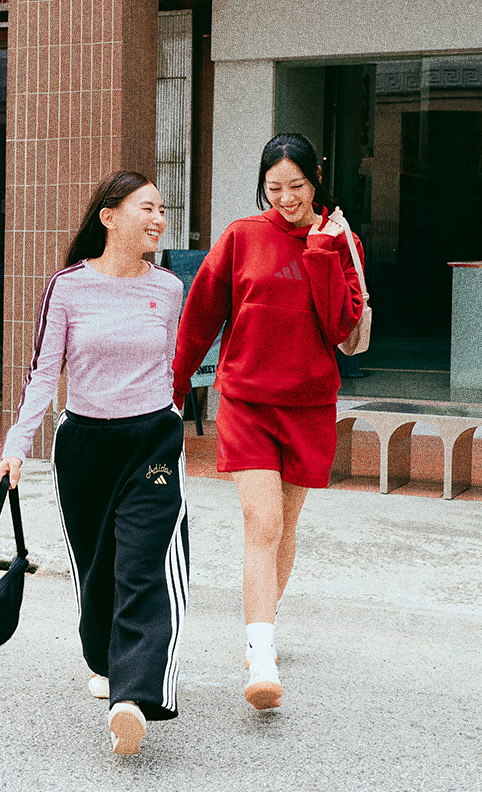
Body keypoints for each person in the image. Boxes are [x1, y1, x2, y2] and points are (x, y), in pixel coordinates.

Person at [0, 171, 189, 755]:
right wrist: (17, 445)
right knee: (98, 567)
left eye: (162, 209)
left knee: (143, 565)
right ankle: (108, 661)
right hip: (84, 446)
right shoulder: (69, 288)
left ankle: (132, 695)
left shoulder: (169, 288)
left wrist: (174, 424)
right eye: (146, 208)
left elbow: (170, 366)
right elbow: (43, 374)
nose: (158, 219)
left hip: (152, 440)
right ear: (109, 217)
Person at [172, 133, 363, 711]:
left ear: (317, 180)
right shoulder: (241, 237)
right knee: (262, 523)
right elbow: (200, 313)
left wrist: (323, 252)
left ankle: (264, 626)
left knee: (285, 524)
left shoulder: (341, 239)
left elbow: (339, 327)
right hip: (248, 402)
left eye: (297, 187)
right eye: (274, 188)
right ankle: (260, 656)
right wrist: (176, 390)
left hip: (309, 406)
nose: (286, 199)